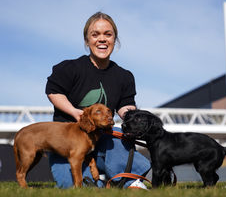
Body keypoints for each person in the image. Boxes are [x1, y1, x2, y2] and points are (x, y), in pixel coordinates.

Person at [45, 11, 151, 189]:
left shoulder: (124, 76)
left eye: (107, 34)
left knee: (118, 133)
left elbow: (125, 106)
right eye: (95, 34)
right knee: (76, 187)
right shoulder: (69, 68)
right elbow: (53, 91)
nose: (102, 39)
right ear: (87, 41)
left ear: (114, 40)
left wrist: (135, 120)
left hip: (103, 142)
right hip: (68, 143)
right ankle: (98, 183)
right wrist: (74, 112)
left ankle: (130, 181)